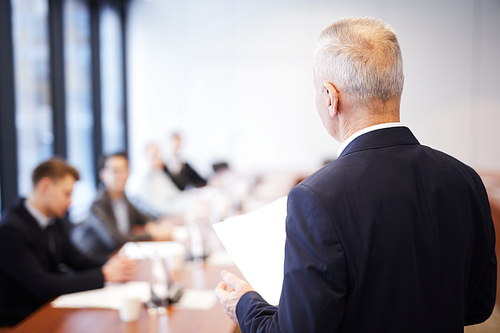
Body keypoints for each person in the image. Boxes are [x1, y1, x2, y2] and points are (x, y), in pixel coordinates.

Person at [215, 17, 497, 332]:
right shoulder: (465, 179)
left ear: (330, 97)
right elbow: (480, 305)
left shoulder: (317, 198)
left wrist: (245, 304)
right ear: (397, 84)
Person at [0, 158, 136, 327]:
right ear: (45, 187)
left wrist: (111, 264)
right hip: (23, 322)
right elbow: (44, 285)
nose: (70, 202)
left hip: (51, 309)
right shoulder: (10, 231)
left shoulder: (53, 218)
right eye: (67, 194)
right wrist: (104, 275)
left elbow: (76, 258)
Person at [72, 152, 172, 261]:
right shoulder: (98, 205)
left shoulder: (124, 199)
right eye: (115, 171)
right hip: (97, 262)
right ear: (102, 175)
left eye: (124, 170)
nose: (121, 175)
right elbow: (116, 240)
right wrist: (151, 235)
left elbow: (145, 218)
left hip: (120, 258)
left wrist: (154, 226)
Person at [126, 143, 193, 218]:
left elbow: (175, 194)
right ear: (144, 157)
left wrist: (192, 203)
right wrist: (190, 208)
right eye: (154, 156)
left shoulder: (158, 173)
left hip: (172, 212)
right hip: (155, 220)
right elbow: (158, 209)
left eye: (159, 155)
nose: (159, 159)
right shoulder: (141, 180)